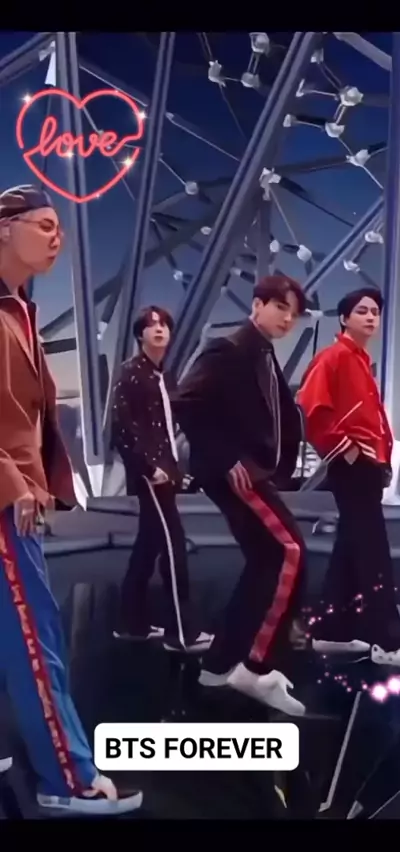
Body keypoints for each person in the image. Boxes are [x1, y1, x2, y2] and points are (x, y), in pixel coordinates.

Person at [0, 184, 143, 816]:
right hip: (6, 500)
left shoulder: (17, 310)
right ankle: (68, 777)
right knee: (36, 637)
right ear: (4, 228)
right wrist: (14, 483)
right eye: (44, 224)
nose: (57, 237)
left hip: (20, 491)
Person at [173, 275, 308, 715]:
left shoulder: (262, 353)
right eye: (281, 307)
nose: (287, 319)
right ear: (257, 304)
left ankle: (219, 664)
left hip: (252, 470)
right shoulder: (228, 349)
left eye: (293, 313)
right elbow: (186, 401)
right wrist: (227, 456)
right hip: (236, 473)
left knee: (267, 559)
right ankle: (256, 667)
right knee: (289, 551)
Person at [296, 287, 400, 669]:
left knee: (350, 547)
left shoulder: (359, 360)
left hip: (367, 468)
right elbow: (311, 408)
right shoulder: (334, 357)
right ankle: (388, 639)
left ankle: (332, 631)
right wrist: (350, 452)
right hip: (353, 468)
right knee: (373, 552)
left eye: (375, 311)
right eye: (362, 311)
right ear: (344, 318)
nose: (371, 317)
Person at [111, 305, 213, 653]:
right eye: (151, 325)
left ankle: (132, 624)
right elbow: (121, 429)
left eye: (164, 325)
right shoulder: (130, 374)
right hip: (151, 475)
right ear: (139, 334)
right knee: (173, 548)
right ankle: (181, 634)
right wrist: (148, 468)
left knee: (148, 545)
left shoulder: (162, 376)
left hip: (165, 471)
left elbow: (169, 427)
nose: (158, 329)